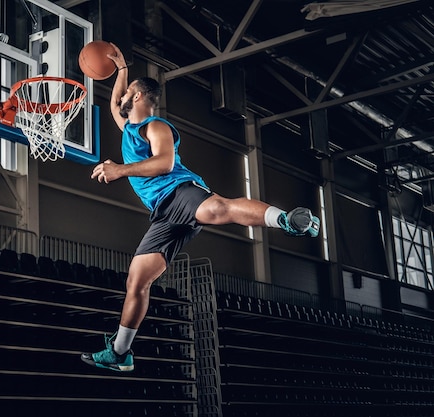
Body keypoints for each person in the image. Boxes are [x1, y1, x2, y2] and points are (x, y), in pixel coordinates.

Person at [80, 43, 319, 372]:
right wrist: (122, 71)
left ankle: (285, 220)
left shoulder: (156, 126)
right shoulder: (129, 129)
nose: (118, 99)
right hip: (163, 215)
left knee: (217, 210)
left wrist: (119, 170)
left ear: (136, 98)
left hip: (179, 190)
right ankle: (120, 353)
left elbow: (164, 164)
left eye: (126, 93)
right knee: (136, 281)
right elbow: (114, 103)